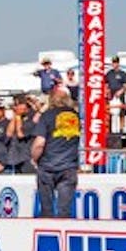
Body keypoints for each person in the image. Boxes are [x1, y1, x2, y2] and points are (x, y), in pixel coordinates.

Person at [30, 90, 81, 218]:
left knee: (47, 211)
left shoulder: (47, 116)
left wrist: (34, 159)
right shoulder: (75, 116)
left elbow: (39, 143)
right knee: (64, 212)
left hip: (48, 166)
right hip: (69, 166)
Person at [106, 56, 126, 136]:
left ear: (118, 63)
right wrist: (107, 91)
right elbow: (106, 83)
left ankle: (122, 128)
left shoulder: (122, 73)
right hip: (111, 95)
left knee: (122, 112)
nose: (114, 64)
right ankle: (110, 129)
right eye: (113, 62)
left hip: (120, 95)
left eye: (116, 62)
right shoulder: (109, 73)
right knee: (110, 112)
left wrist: (121, 91)